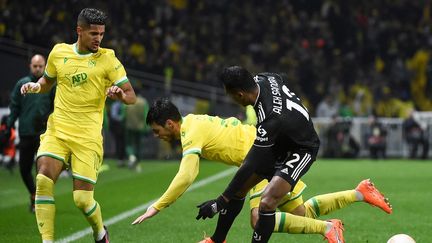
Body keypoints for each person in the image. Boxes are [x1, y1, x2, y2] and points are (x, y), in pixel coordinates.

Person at [131, 98, 392, 243]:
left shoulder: (190, 133)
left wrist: (157, 206)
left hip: (260, 159)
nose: (157, 136)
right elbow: (234, 197)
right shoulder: (195, 121)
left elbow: (187, 175)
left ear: (169, 123)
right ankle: (359, 193)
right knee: (302, 213)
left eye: (157, 131)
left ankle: (327, 229)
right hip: (267, 152)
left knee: (259, 219)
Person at [194, 66, 390, 243]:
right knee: (291, 209)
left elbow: (251, 163)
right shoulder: (264, 78)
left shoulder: (270, 118)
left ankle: (350, 203)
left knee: (267, 202)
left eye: (231, 96)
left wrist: (219, 202)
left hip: (302, 147)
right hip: (280, 140)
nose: (232, 100)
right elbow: (281, 78)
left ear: (239, 94)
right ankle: (217, 240)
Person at [20, 8, 136, 243]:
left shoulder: (108, 59)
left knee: (82, 200)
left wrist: (119, 95)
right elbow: (47, 82)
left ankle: (100, 233)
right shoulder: (58, 52)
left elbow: (130, 95)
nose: (99, 39)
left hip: (88, 136)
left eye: (102, 34)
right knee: (42, 179)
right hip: (58, 130)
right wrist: (35, 86)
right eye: (94, 33)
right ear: (79, 31)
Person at [1, 54, 55, 212]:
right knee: (24, 169)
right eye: (35, 66)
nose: (38, 68)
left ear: (45, 66)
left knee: (42, 171)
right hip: (25, 132)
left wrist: (47, 118)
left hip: (43, 134)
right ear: (30, 66)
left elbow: (56, 106)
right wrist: (8, 127)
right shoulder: (22, 84)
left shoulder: (50, 85)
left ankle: (40, 201)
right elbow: (14, 107)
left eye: (40, 66)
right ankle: (33, 195)